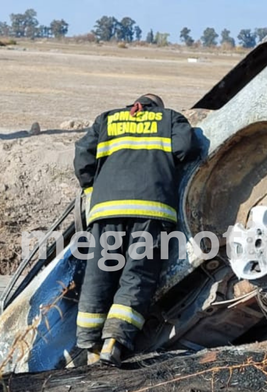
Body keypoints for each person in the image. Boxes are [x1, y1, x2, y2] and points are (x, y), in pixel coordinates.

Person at [73, 94, 195, 367]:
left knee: (99, 273)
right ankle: (114, 343)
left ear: (135, 103)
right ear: (157, 107)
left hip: (106, 211)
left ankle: (89, 345)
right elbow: (186, 148)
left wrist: (94, 191)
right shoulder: (170, 118)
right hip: (151, 211)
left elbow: (83, 157)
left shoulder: (107, 119)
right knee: (137, 275)